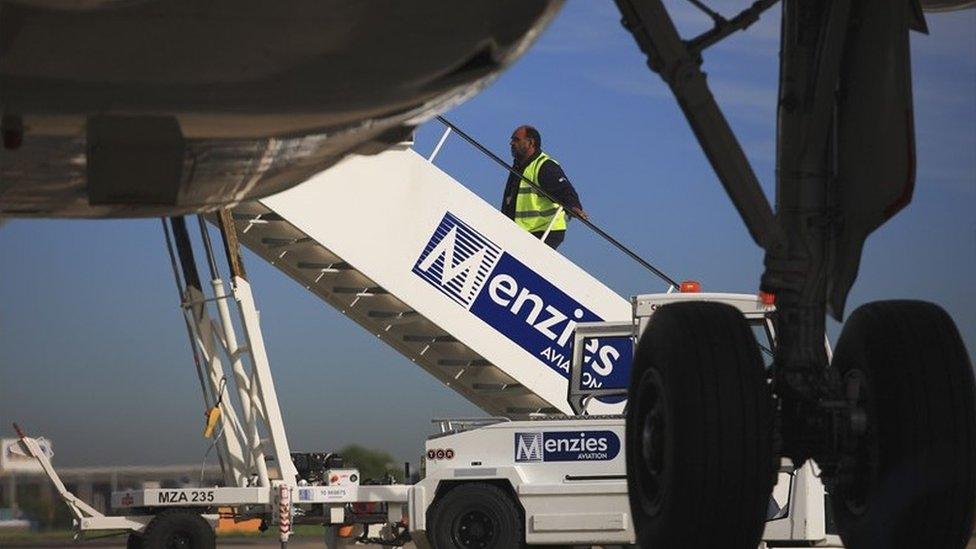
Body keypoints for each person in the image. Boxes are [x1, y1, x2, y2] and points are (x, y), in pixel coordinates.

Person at [501, 125, 588, 250]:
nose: (511, 143)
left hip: (544, 231)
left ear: (530, 143)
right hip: (523, 231)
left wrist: (574, 207)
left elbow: (565, 190)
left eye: (516, 140)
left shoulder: (545, 166)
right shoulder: (518, 166)